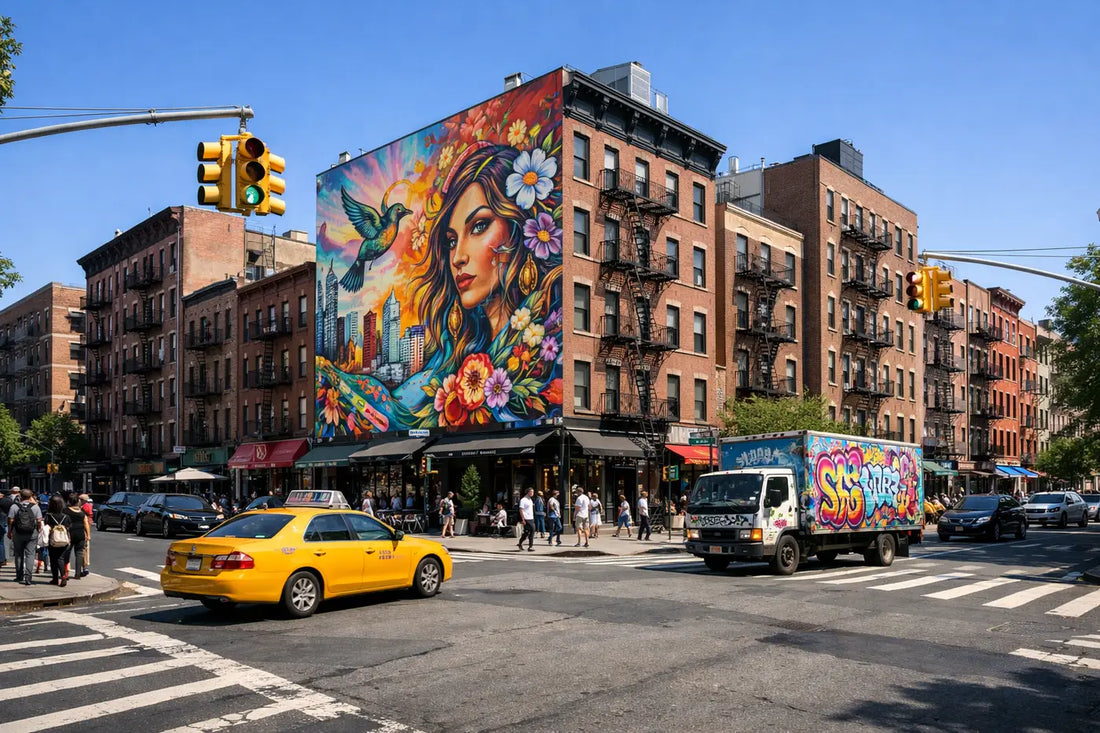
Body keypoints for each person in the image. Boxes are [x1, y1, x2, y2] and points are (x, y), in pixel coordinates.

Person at [7, 487, 41, 585]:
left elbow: (10, 520)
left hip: (18, 533)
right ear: (31, 496)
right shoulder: (35, 507)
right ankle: (28, 577)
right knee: (30, 554)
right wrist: (38, 529)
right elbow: (39, 520)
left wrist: (10, 531)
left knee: (18, 554)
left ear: (20, 496)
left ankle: (19, 575)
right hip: (32, 533)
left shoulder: (14, 506)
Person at [43, 495, 71, 587]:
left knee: (53, 558)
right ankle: (63, 576)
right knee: (61, 558)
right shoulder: (66, 516)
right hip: (63, 539)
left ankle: (55, 578)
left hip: (53, 540)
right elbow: (69, 527)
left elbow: (46, 527)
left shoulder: (48, 515)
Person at [64, 494, 89, 581]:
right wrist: (88, 535)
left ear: (69, 501)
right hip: (80, 533)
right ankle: (78, 574)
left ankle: (65, 573)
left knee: (67, 552)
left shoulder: (65, 511)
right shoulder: (81, 512)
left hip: (69, 534)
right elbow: (86, 523)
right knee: (79, 553)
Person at [0, 487, 14, 566]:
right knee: (2, 541)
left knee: (1, 542)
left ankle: (2, 559)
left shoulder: (2, 501)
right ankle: (3, 559)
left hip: (1, 520)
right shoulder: (10, 501)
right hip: (6, 520)